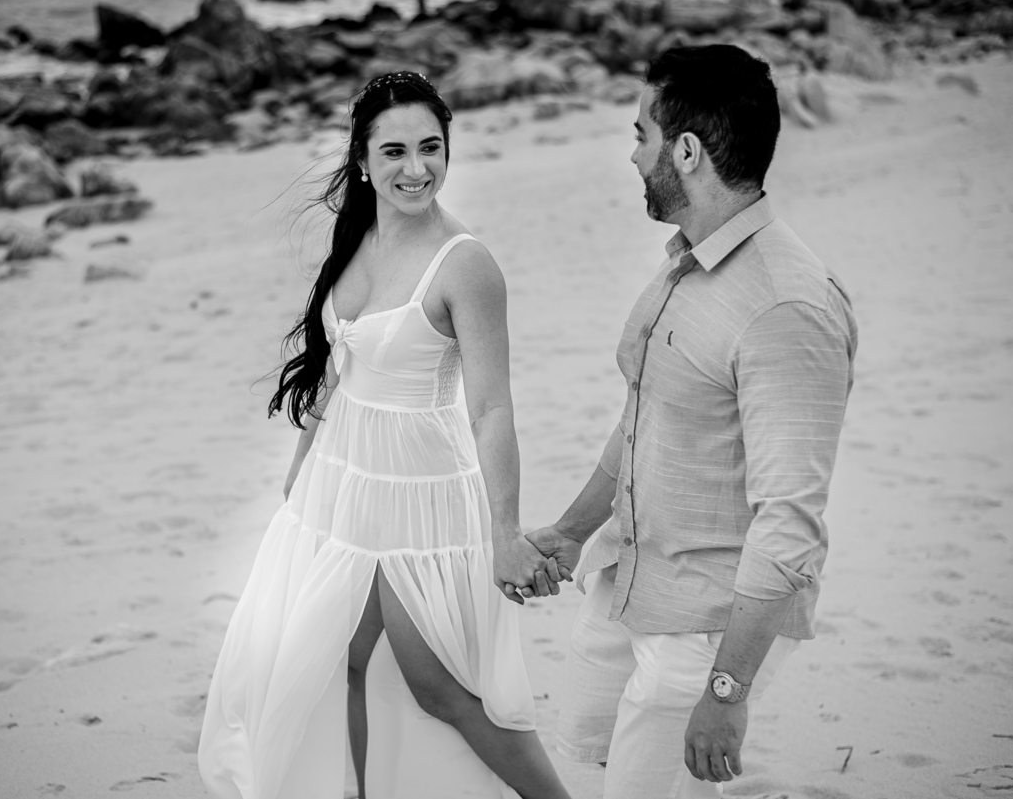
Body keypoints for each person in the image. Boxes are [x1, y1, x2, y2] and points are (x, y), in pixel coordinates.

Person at [198, 71, 572, 799]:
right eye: (395, 151)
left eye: (431, 147)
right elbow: (340, 364)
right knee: (345, 660)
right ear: (364, 160)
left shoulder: (466, 264)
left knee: (437, 683)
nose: (416, 168)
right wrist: (303, 461)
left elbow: (492, 407)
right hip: (341, 481)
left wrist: (504, 530)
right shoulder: (359, 237)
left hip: (420, 489)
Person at [527, 45, 859, 798]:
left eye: (640, 134)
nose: (631, 154)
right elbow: (644, 416)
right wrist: (572, 531)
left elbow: (790, 523)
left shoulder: (786, 307)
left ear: (686, 151)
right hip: (634, 578)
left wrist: (726, 690)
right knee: (598, 761)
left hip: (707, 626)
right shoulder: (691, 258)